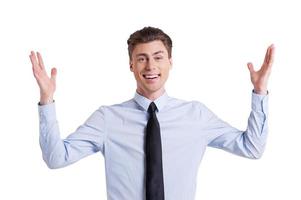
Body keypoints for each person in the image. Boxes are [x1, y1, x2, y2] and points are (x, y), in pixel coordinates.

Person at [30, 26, 274, 200]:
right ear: (131, 65)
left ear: (170, 61)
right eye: (142, 59)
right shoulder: (107, 119)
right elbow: (56, 158)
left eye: (158, 57)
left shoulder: (196, 116)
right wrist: (46, 99)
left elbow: (252, 148)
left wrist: (260, 91)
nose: (150, 66)